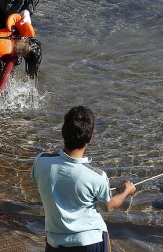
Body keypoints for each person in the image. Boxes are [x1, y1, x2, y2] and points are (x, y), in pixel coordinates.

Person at [31, 106, 137, 251]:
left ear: (63, 132)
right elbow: (109, 206)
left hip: (55, 242)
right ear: (91, 137)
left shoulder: (40, 161)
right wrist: (126, 191)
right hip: (91, 242)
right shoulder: (97, 176)